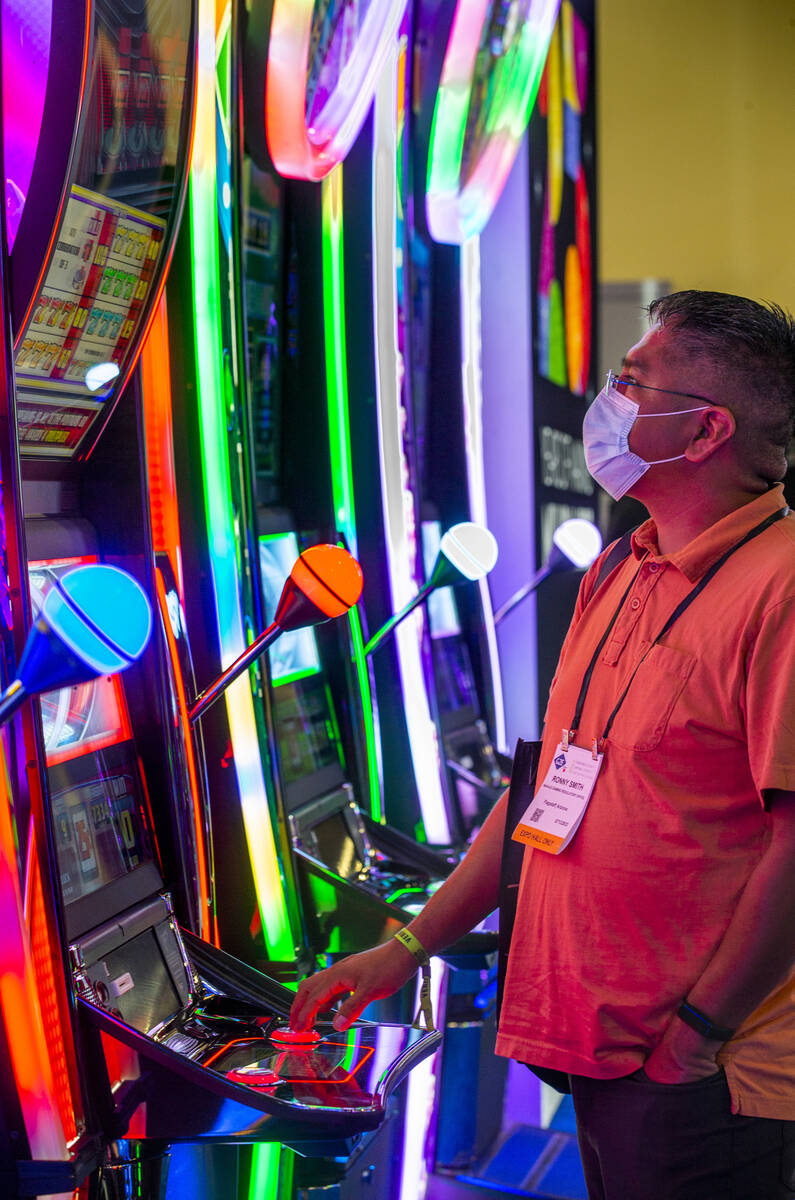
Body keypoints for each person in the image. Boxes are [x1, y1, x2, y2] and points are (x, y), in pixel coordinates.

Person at [290, 291, 795, 1200]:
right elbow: (547, 793)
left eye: (631, 379)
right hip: (599, 1054)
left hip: (709, 1074)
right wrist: (407, 945)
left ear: (705, 428)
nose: (607, 395)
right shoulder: (620, 566)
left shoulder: (780, 585)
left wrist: (694, 1036)